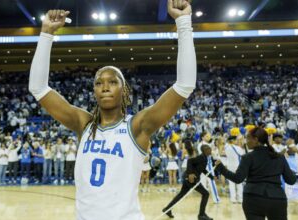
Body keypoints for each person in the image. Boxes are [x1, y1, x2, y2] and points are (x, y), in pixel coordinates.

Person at [28, 0, 196, 218]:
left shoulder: (137, 126)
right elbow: (38, 88)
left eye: (112, 82)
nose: (105, 87)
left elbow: (185, 85)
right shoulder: (84, 124)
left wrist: (183, 22)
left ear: (124, 91)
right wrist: (46, 34)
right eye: (98, 83)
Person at [215, 127, 297, 220]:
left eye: (248, 138)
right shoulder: (279, 157)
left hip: (253, 198)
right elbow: (291, 180)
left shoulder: (248, 157)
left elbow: (238, 179)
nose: (246, 141)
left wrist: (221, 168)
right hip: (276, 198)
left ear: (256, 139)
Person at [162, 145, 214, 220]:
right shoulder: (200, 157)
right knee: (205, 193)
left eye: (209, 148)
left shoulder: (205, 158)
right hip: (191, 179)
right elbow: (190, 161)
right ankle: (201, 215)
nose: (210, 150)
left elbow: (202, 169)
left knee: (181, 194)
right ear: (204, 150)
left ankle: (167, 209)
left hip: (189, 178)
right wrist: (190, 174)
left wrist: (212, 177)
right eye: (208, 149)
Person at [224, 136, 245, 203]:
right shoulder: (237, 148)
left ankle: (233, 199)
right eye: (236, 140)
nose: (237, 141)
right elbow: (243, 154)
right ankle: (240, 199)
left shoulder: (226, 148)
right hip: (237, 167)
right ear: (232, 140)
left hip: (230, 167)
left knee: (231, 184)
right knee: (239, 183)